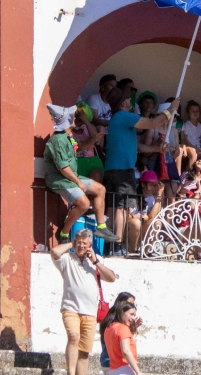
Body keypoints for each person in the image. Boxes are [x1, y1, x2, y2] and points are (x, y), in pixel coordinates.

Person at [104, 88, 180, 245]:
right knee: (122, 208)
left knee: (112, 207)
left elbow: (137, 146)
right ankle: (117, 244)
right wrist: (171, 110)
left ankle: (109, 246)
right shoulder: (123, 116)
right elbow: (153, 123)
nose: (130, 101)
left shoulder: (117, 119)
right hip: (123, 170)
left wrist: (156, 149)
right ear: (123, 102)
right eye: (128, 98)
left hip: (112, 168)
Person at [51, 228, 117, 375]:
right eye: (79, 242)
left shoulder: (95, 260)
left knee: (85, 351)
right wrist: (71, 244)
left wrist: (95, 261)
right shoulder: (67, 259)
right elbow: (54, 252)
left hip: (90, 311)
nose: (81, 245)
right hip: (70, 308)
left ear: (90, 244)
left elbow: (111, 278)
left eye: (84, 243)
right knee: (73, 337)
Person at [43, 104, 111, 242]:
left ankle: (101, 227)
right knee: (84, 204)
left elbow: (79, 147)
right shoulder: (58, 140)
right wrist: (78, 182)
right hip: (60, 179)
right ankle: (64, 233)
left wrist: (94, 139)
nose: (75, 118)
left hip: (69, 177)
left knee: (100, 189)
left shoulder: (66, 137)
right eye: (72, 116)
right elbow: (63, 167)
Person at [96, 291, 138, 375]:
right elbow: (122, 343)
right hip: (113, 361)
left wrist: (133, 328)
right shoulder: (116, 323)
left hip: (107, 360)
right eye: (130, 303)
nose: (132, 306)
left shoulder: (109, 320)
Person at [124, 172, 165, 255]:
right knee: (136, 223)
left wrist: (158, 197)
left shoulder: (151, 198)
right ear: (143, 184)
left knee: (157, 222)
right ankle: (133, 251)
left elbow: (152, 216)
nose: (153, 188)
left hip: (140, 229)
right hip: (127, 230)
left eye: (154, 185)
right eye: (151, 185)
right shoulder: (133, 196)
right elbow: (125, 216)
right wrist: (141, 217)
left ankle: (147, 251)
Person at [72, 103, 105, 185]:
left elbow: (97, 140)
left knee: (96, 176)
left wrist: (86, 122)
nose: (79, 119)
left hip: (91, 161)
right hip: (75, 161)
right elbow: (75, 146)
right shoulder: (69, 130)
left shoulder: (89, 127)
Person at [180, 101, 201, 168]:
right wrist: (194, 148)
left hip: (198, 148)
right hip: (189, 147)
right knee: (193, 155)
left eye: (197, 111)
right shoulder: (186, 125)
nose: (195, 112)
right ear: (188, 113)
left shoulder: (200, 126)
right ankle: (190, 173)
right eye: (193, 111)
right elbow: (185, 140)